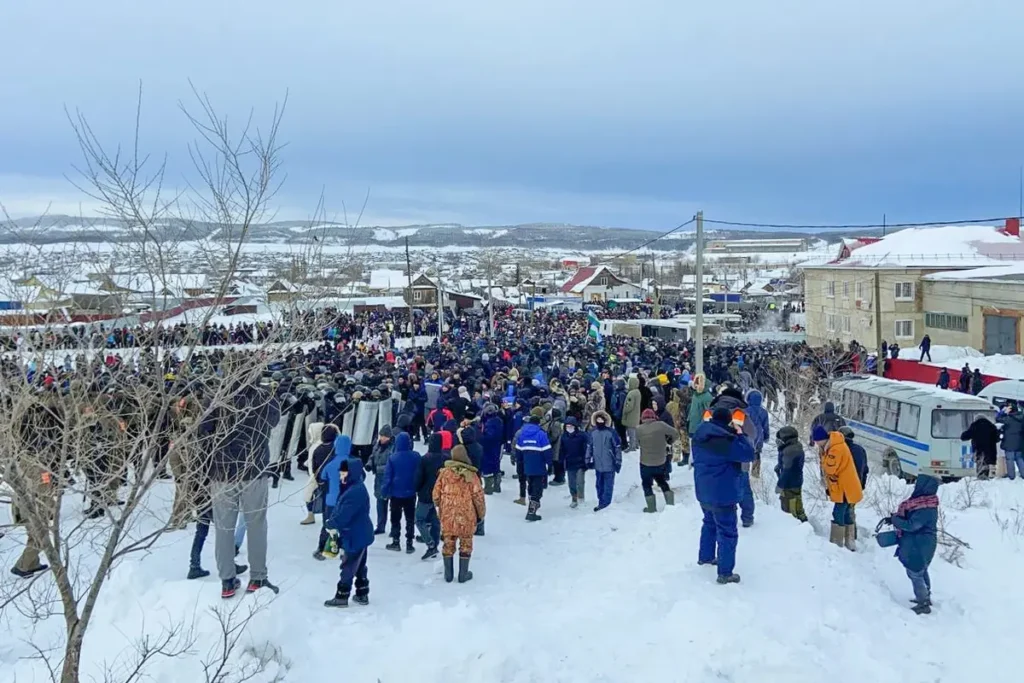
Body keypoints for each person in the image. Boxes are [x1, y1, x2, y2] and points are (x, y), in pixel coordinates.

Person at [201, 380, 280, 598]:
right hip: (253, 470)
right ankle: (257, 577)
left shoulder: (215, 396)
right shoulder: (263, 396)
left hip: (222, 471)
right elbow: (274, 420)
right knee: (256, 525)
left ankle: (227, 580)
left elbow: (203, 431)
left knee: (223, 528)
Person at [692, 407, 755, 584]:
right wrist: (740, 434)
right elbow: (748, 454)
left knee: (709, 522)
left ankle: (705, 557)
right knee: (727, 532)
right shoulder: (727, 441)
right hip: (723, 493)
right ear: (728, 421)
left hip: (703, 489)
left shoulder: (699, 435)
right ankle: (725, 573)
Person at [882, 475, 940, 615]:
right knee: (921, 569)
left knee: (915, 572)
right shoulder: (922, 502)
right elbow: (910, 517)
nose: (915, 487)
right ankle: (925, 596)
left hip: (920, 545)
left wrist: (896, 521)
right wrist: (894, 519)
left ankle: (923, 603)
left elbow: (912, 525)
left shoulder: (926, 508)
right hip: (919, 543)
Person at [323, 458, 375, 608]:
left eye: (344, 472)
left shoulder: (354, 491)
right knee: (359, 565)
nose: (341, 475)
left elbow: (345, 514)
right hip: (360, 533)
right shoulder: (353, 487)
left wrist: (331, 523)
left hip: (355, 535)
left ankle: (342, 595)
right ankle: (362, 592)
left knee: (348, 565)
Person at [433, 444, 486, 583]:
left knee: (448, 543)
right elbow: (478, 497)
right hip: (466, 517)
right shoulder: (471, 475)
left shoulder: (444, 473)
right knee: (466, 543)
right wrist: (481, 514)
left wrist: (442, 507)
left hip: (447, 517)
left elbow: (435, 495)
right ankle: (463, 574)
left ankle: (448, 575)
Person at [813, 425, 863, 551]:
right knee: (846, 513)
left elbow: (830, 468)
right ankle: (850, 542)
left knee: (838, 512)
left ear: (822, 439)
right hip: (846, 487)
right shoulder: (834, 445)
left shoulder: (835, 449)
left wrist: (823, 457)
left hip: (845, 488)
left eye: (817, 441)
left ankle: (837, 543)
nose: (817, 444)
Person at [382, 431, 421, 553]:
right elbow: (419, 474)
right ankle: (409, 543)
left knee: (395, 518)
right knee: (410, 518)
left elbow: (387, 477)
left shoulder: (393, 458)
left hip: (396, 493)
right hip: (411, 492)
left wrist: (384, 491)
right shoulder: (416, 456)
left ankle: (396, 541)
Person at [314, 430, 350, 560]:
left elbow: (322, 477)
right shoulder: (352, 462)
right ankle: (345, 550)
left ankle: (322, 548)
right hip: (347, 501)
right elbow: (361, 477)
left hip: (331, 500)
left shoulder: (330, 464)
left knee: (328, 524)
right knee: (346, 525)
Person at [414, 432, 448, 558]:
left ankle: (430, 544)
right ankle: (435, 542)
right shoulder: (445, 459)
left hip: (425, 495)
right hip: (440, 495)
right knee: (435, 519)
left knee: (419, 519)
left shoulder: (424, 459)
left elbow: (419, 477)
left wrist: (416, 489)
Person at [636, 408, 677, 512]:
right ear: (654, 417)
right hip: (660, 461)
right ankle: (670, 505)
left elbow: (638, 443)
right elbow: (675, 433)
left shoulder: (639, 429)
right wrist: (669, 441)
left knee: (646, 484)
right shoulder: (661, 425)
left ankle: (651, 508)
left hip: (645, 463)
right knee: (662, 481)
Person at [516, 413, 553, 521]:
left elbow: (518, 450)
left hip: (526, 465)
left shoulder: (522, 434)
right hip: (539, 465)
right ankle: (532, 511)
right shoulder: (541, 434)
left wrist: (520, 462)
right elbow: (547, 451)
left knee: (531, 485)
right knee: (538, 487)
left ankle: (532, 502)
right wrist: (550, 464)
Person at [587, 410, 622, 512]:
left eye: (602, 419)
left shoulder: (611, 433)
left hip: (609, 464)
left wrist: (618, 462)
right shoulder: (593, 433)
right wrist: (588, 460)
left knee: (608, 485)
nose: (599, 421)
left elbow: (617, 448)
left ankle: (605, 504)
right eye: (598, 419)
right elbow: (589, 447)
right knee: (599, 485)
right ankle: (601, 501)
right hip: (598, 464)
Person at [774, 426, 806, 522]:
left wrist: (780, 485)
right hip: (796, 481)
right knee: (797, 503)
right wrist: (779, 465)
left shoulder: (790, 451)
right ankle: (801, 520)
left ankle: (796, 524)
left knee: (791, 507)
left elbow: (787, 471)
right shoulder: (793, 447)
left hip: (790, 484)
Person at [367, 425, 395, 535]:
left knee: (393, 505)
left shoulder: (393, 448)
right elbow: (373, 456)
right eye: (381, 436)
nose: (382, 438)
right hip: (379, 479)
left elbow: (391, 464)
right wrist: (370, 464)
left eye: (384, 436)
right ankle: (380, 525)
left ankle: (394, 527)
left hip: (389, 479)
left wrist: (378, 468)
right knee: (380, 503)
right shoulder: (377, 445)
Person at [560, 416, 589, 508]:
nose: (569, 428)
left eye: (571, 426)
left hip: (580, 462)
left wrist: (586, 461)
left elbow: (586, 449)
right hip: (569, 463)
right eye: (567, 426)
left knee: (580, 482)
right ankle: (574, 498)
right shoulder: (564, 437)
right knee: (571, 482)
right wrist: (561, 461)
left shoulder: (582, 436)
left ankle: (581, 498)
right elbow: (562, 450)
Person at [961, 414, 999, 479]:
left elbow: (965, 436)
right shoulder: (991, 426)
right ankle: (985, 477)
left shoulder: (975, 425)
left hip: (979, 449)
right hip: (990, 449)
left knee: (980, 462)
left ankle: (981, 477)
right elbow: (997, 439)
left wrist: (963, 435)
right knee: (986, 463)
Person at [479, 403, 504, 494]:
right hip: (497, 446)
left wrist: (480, 438)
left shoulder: (489, 422)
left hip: (489, 447)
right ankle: (497, 486)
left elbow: (489, 436)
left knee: (487, 466)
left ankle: (488, 488)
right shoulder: (499, 420)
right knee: (496, 465)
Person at [745, 389, 770, 479]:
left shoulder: (745, 411)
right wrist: (766, 437)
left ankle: (744, 473)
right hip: (759, 437)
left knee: (745, 454)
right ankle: (755, 474)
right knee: (757, 454)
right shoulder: (764, 412)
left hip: (747, 436)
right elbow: (766, 426)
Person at [997, 402, 1024, 480]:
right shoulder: (1021, 417)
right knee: (1019, 458)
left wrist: (1003, 412)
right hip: (1019, 442)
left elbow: (998, 418)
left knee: (1010, 459)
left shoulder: (1008, 419)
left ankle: (1011, 476)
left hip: (1009, 443)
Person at [622, 376, 642, 452]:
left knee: (631, 432)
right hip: (636, 414)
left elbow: (629, 406)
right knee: (635, 431)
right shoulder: (638, 392)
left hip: (630, 415)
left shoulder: (631, 393)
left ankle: (632, 446)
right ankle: (636, 444)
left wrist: (624, 411)